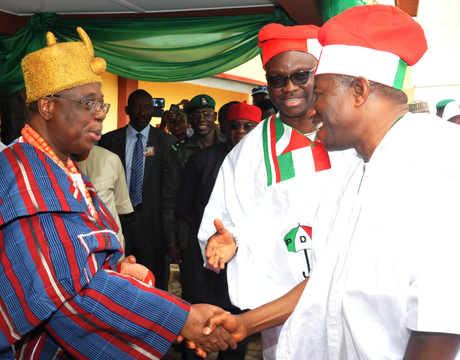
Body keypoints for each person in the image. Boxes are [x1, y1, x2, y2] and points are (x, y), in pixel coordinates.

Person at [200, 5, 460, 360]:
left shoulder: (437, 161)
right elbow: (326, 279)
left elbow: (439, 327)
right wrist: (246, 324)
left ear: (359, 90)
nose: (313, 108)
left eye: (318, 92)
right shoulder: (360, 166)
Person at [0, 27, 236, 359]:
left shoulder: (57, 164)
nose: (99, 114)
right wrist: (182, 318)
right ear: (47, 107)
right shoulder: (30, 179)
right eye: (87, 103)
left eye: (101, 104)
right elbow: (68, 296)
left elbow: (73, 263)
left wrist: (117, 269)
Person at [197, 23, 332, 359]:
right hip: (279, 303)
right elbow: (224, 214)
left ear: (320, 74)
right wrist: (229, 240)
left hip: (345, 299)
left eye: (301, 75)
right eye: (276, 79)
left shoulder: (346, 133)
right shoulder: (251, 149)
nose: (289, 87)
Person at [176, 102, 261, 360]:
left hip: (243, 262)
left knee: (236, 335)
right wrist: (209, 238)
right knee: (196, 333)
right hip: (203, 262)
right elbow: (186, 209)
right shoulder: (202, 159)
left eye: (248, 127)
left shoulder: (264, 164)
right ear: (224, 127)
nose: (240, 132)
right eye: (234, 126)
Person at [98, 89, 176, 290]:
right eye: (136, 107)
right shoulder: (108, 141)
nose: (142, 112)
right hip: (117, 217)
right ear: (127, 110)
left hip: (151, 221)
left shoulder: (167, 142)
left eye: (148, 107)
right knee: (117, 271)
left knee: (154, 275)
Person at [163, 94, 226, 266]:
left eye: (206, 113)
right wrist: (172, 242)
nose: (201, 119)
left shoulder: (229, 146)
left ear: (215, 116)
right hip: (190, 234)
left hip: (226, 233)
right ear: (190, 119)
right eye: (196, 115)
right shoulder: (179, 152)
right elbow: (170, 198)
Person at [75, 145, 134, 259]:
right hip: (76, 248)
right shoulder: (51, 161)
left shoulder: (110, 159)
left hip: (111, 247)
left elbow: (120, 207)